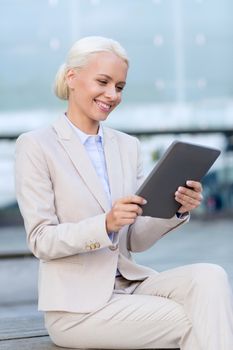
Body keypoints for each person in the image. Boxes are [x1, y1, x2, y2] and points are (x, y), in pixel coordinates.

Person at [15, 36, 233, 350]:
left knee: (211, 276)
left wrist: (176, 208)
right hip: (77, 309)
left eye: (119, 86)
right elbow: (41, 240)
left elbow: (136, 240)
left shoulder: (127, 146)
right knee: (196, 318)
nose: (112, 95)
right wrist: (105, 224)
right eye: (102, 82)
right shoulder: (36, 145)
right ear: (71, 77)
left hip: (131, 286)